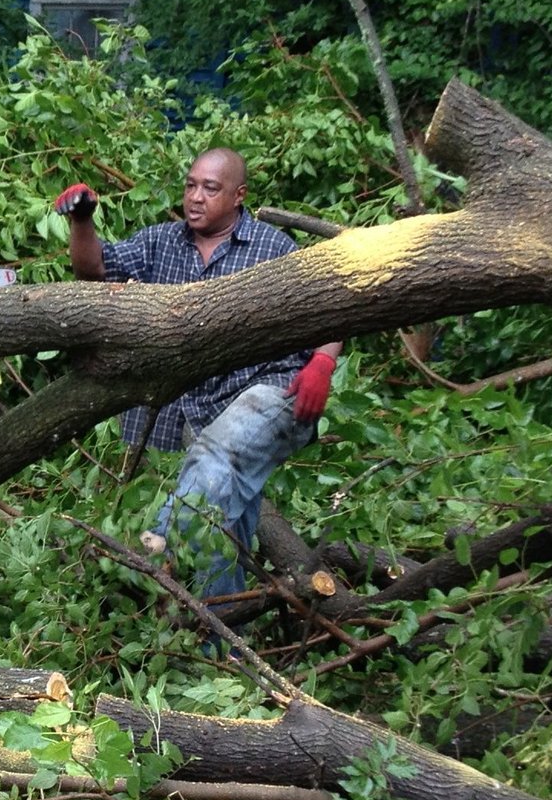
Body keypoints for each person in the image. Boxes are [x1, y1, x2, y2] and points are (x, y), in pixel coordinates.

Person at [55, 147, 339, 605]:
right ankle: (222, 640)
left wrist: (322, 362)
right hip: (192, 404)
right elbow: (93, 270)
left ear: (239, 195)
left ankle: (156, 543)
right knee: (219, 524)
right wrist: (82, 220)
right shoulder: (161, 242)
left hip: (273, 390)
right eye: (190, 185)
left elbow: (335, 302)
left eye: (210, 188)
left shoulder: (274, 249)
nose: (196, 197)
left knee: (217, 453)